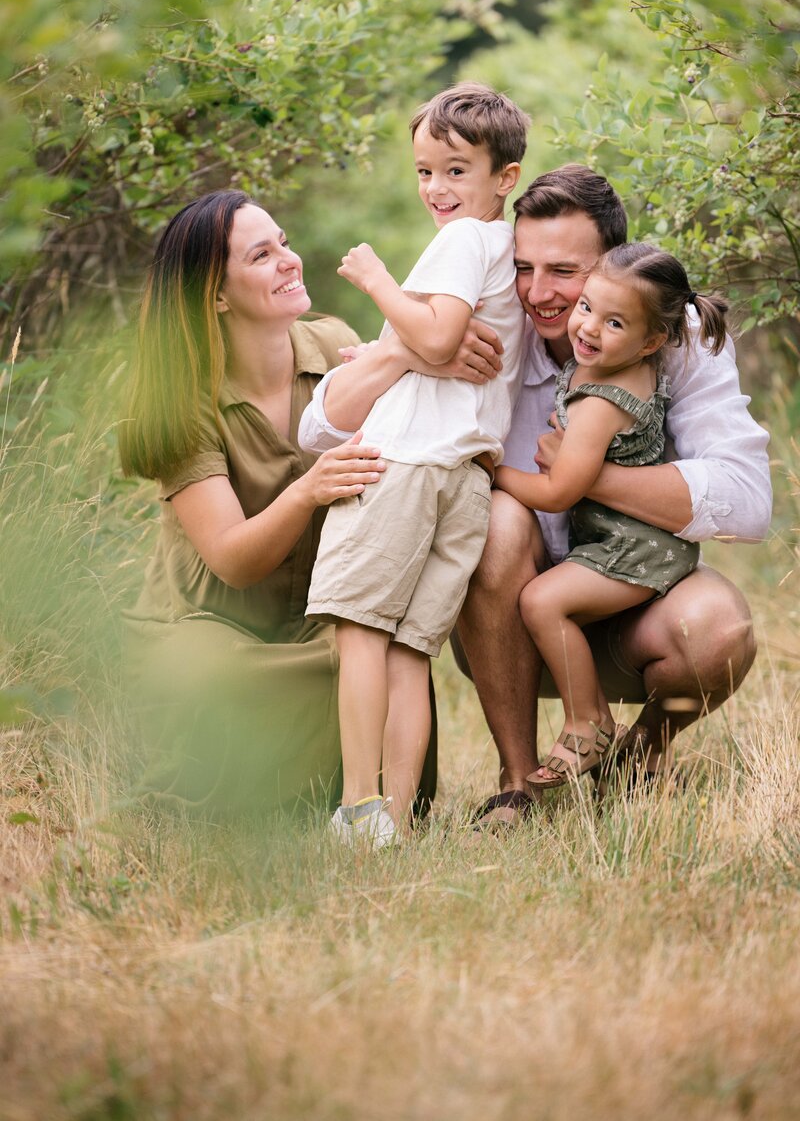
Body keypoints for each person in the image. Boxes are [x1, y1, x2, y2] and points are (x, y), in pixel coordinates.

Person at [302, 165, 771, 826]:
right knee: (493, 518)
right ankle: (517, 781)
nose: (542, 295)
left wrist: (587, 476)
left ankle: (639, 754)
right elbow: (318, 426)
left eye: (565, 272)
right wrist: (413, 353)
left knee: (721, 627)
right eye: (525, 268)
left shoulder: (671, 334)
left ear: (612, 266)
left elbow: (749, 500)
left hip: (634, 594)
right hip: (510, 620)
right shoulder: (492, 321)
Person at [119, 189, 444, 813]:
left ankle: (349, 808)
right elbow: (233, 560)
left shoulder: (337, 345)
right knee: (218, 683)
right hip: (208, 628)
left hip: (318, 616)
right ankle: (259, 795)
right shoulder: (184, 404)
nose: (289, 262)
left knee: (384, 665)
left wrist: (423, 351)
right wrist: (308, 489)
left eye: (284, 244)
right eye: (261, 256)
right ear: (216, 295)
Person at [299, 83, 530, 845]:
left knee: (360, 629)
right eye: (425, 170)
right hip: (464, 478)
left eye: (457, 170)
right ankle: (394, 818)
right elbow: (435, 343)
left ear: (506, 177)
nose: (437, 188)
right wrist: (390, 345)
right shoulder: (503, 250)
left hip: (403, 465)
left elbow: (434, 340)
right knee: (408, 650)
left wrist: (375, 282)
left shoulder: (464, 240)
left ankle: (359, 805)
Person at [494, 242, 729, 788]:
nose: (589, 328)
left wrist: (492, 471)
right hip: (633, 539)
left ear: (652, 341)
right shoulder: (625, 363)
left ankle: (589, 720)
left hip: (632, 547)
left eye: (614, 321)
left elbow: (557, 492)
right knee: (549, 600)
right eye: (587, 308)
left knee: (541, 600)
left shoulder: (601, 401)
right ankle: (597, 729)